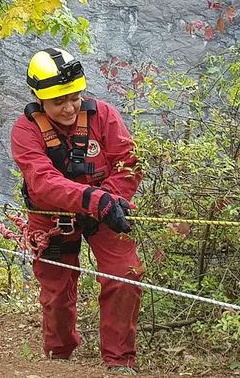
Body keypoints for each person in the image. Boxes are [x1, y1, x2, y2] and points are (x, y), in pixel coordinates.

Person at [10, 48, 143, 375]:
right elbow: (43, 182)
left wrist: (110, 200)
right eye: (59, 102)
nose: (69, 107)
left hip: (106, 212)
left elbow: (128, 163)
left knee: (126, 273)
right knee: (56, 291)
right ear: (39, 99)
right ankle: (60, 355)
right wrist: (98, 200)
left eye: (74, 97)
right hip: (53, 218)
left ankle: (119, 359)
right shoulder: (25, 131)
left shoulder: (104, 116)